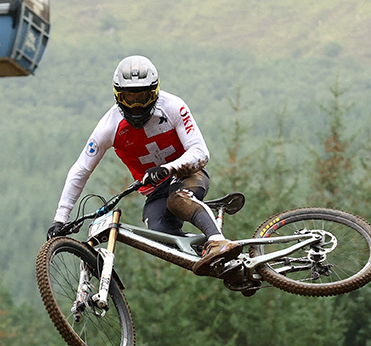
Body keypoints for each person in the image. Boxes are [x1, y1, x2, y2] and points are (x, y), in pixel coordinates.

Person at [47, 55, 240, 276]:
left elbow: (200, 152)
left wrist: (168, 168)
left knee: (178, 200)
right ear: (118, 96)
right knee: (159, 237)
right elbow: (81, 170)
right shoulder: (108, 127)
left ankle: (218, 242)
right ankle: (223, 262)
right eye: (130, 97)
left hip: (187, 174)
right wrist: (60, 218)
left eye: (144, 96)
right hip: (155, 190)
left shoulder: (173, 106)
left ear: (155, 93)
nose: (137, 105)